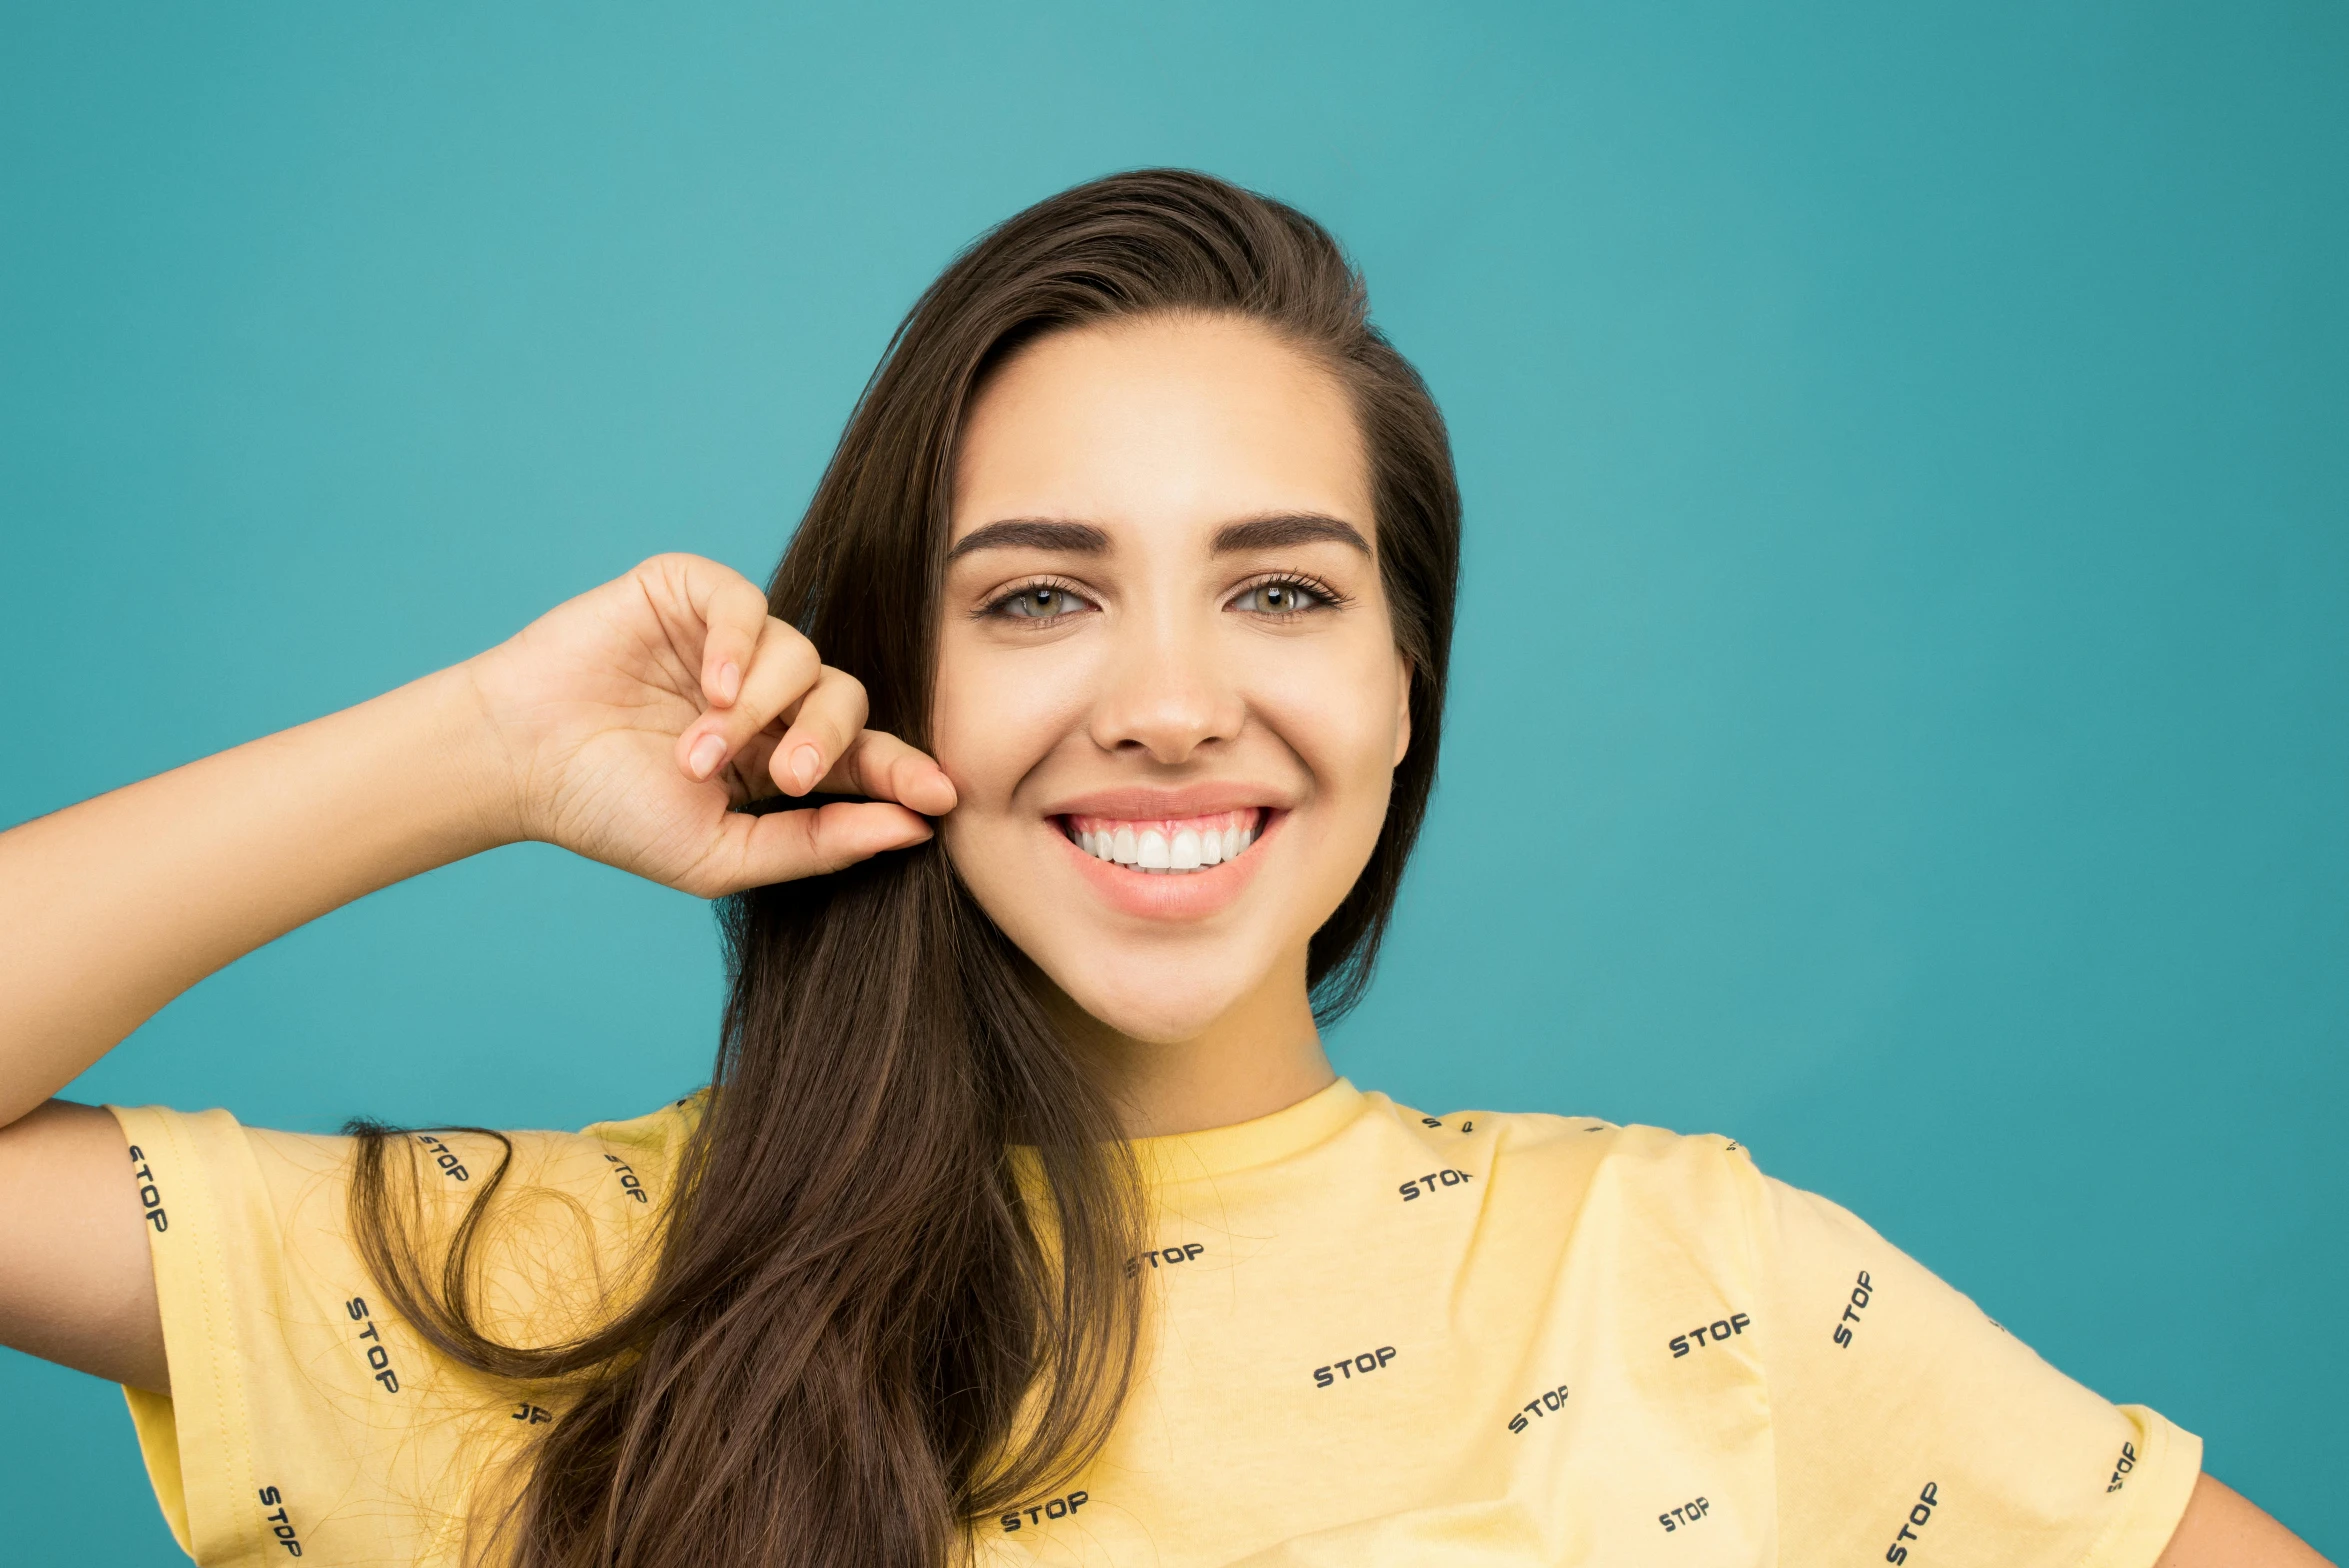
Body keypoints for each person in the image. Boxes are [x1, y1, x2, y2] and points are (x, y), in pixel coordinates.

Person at [0, 170, 2324, 1568]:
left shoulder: (1691, 1274)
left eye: (1286, 590)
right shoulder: (578, 1290)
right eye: (1036, 595)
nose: (1172, 698)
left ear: (1408, 687)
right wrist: (485, 745)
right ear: (893, 670)